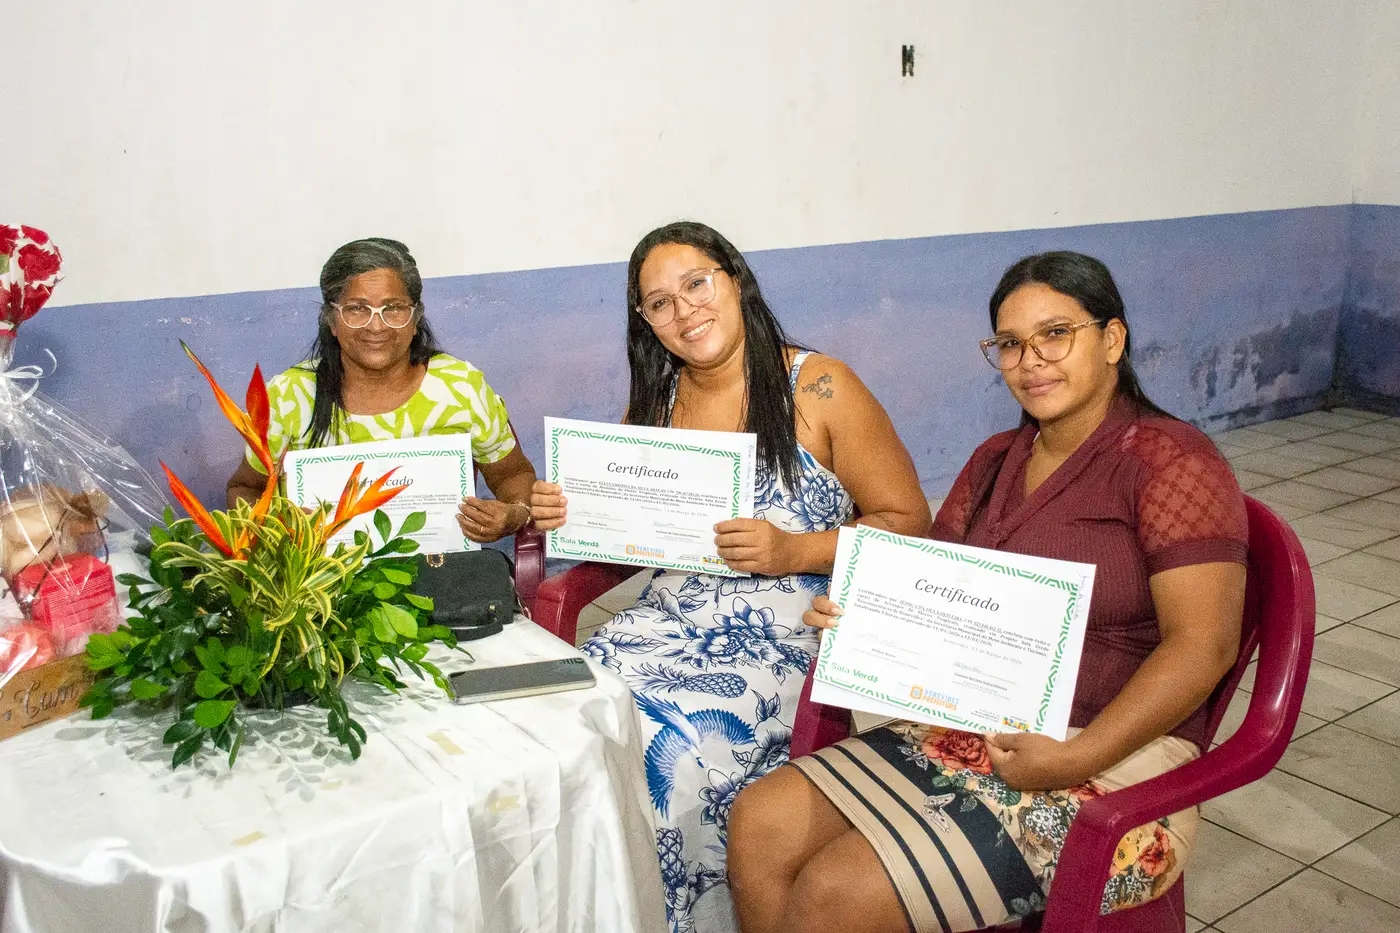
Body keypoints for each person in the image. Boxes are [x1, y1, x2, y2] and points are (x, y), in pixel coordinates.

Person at [726, 251, 1249, 933]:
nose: (1031, 361)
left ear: (1112, 339)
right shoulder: (996, 459)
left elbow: (1205, 646)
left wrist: (1077, 756)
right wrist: (865, 617)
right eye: (1010, 344)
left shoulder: (1173, 463)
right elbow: (932, 587)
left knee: (835, 892)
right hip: (975, 727)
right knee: (758, 822)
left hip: (1113, 758)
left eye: (1055, 334)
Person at [530, 222, 931, 933]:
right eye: (659, 303)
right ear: (645, 321)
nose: (684, 311)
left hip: (782, 636)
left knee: (668, 757)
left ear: (735, 279)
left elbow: (909, 522)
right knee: (564, 724)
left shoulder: (821, 386)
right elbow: (629, 529)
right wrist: (573, 510)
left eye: (696, 284)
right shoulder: (657, 403)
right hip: (662, 622)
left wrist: (793, 551)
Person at [227, 238, 537, 541]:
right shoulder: (289, 396)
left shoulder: (460, 387)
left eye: (393, 308)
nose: (376, 326)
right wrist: (280, 530)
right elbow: (244, 489)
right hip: (321, 574)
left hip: (441, 569)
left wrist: (513, 514)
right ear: (332, 320)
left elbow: (513, 475)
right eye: (357, 308)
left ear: (415, 319)